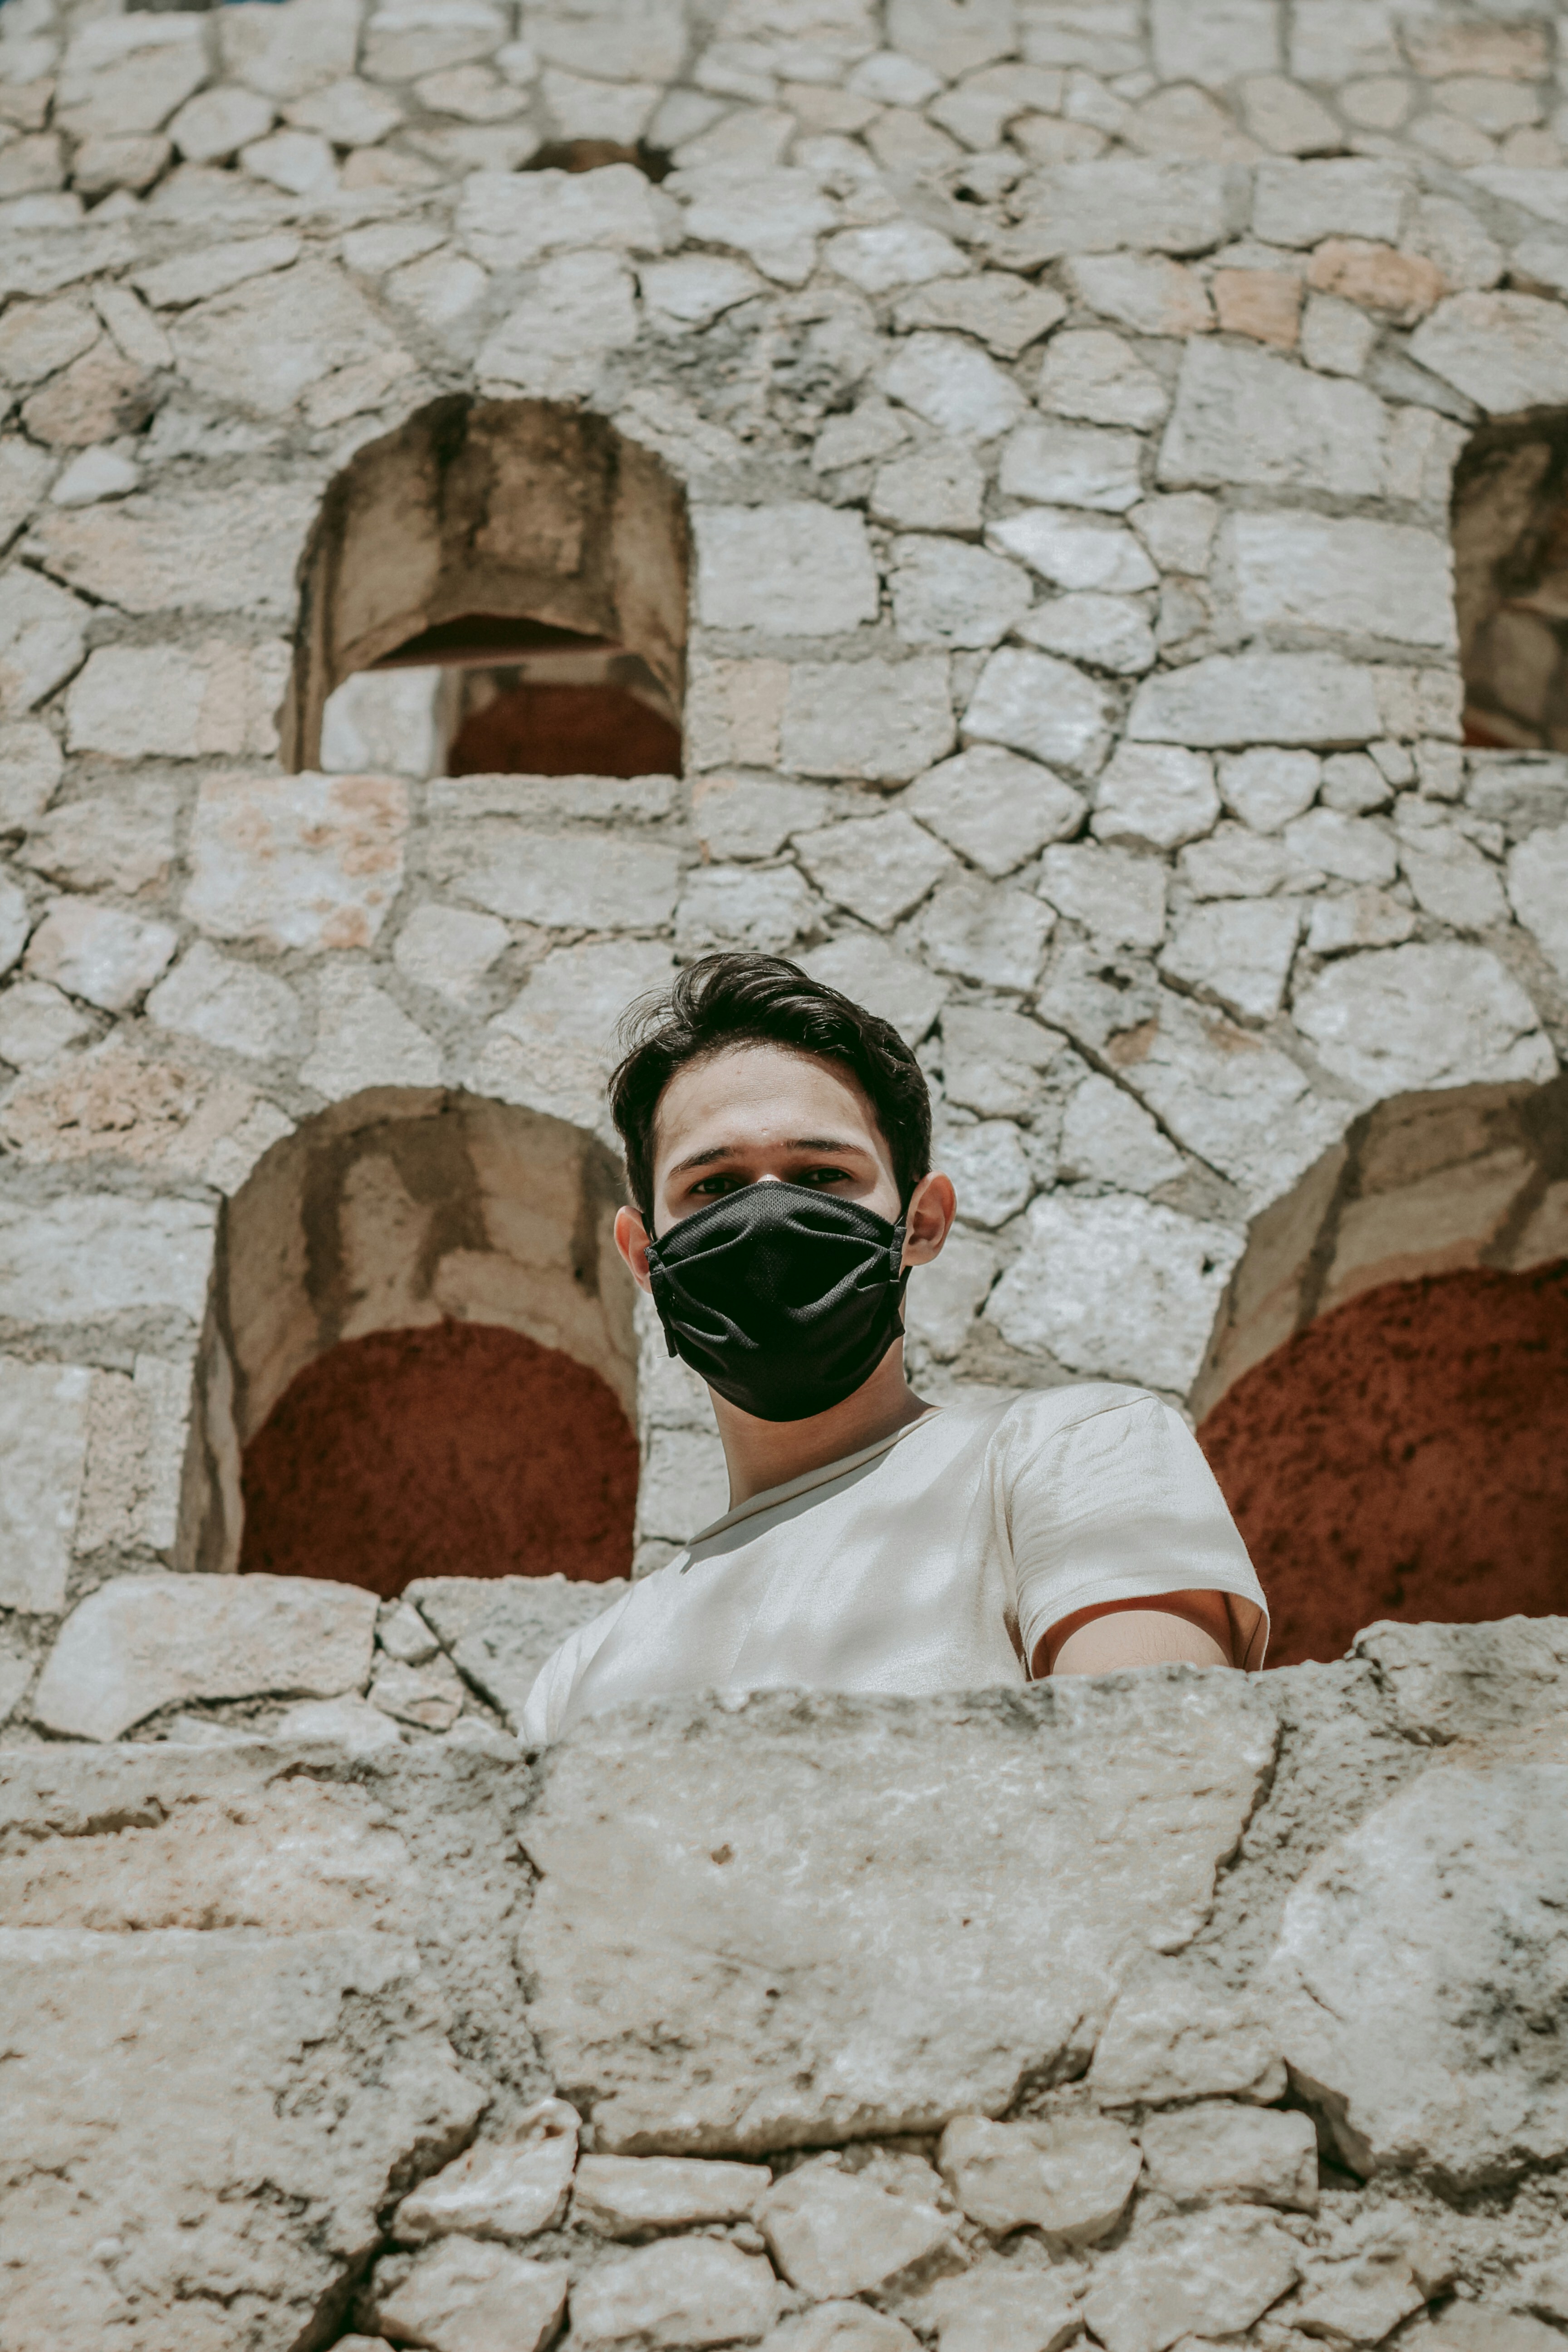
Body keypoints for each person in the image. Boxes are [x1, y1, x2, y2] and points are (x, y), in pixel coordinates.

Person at [520, 952, 1266, 1742]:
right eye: (714, 1186)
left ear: (922, 1222)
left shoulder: (1073, 1453)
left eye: (823, 1173)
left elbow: (1152, 1790)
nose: (770, 1217)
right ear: (643, 1256)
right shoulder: (574, 1683)